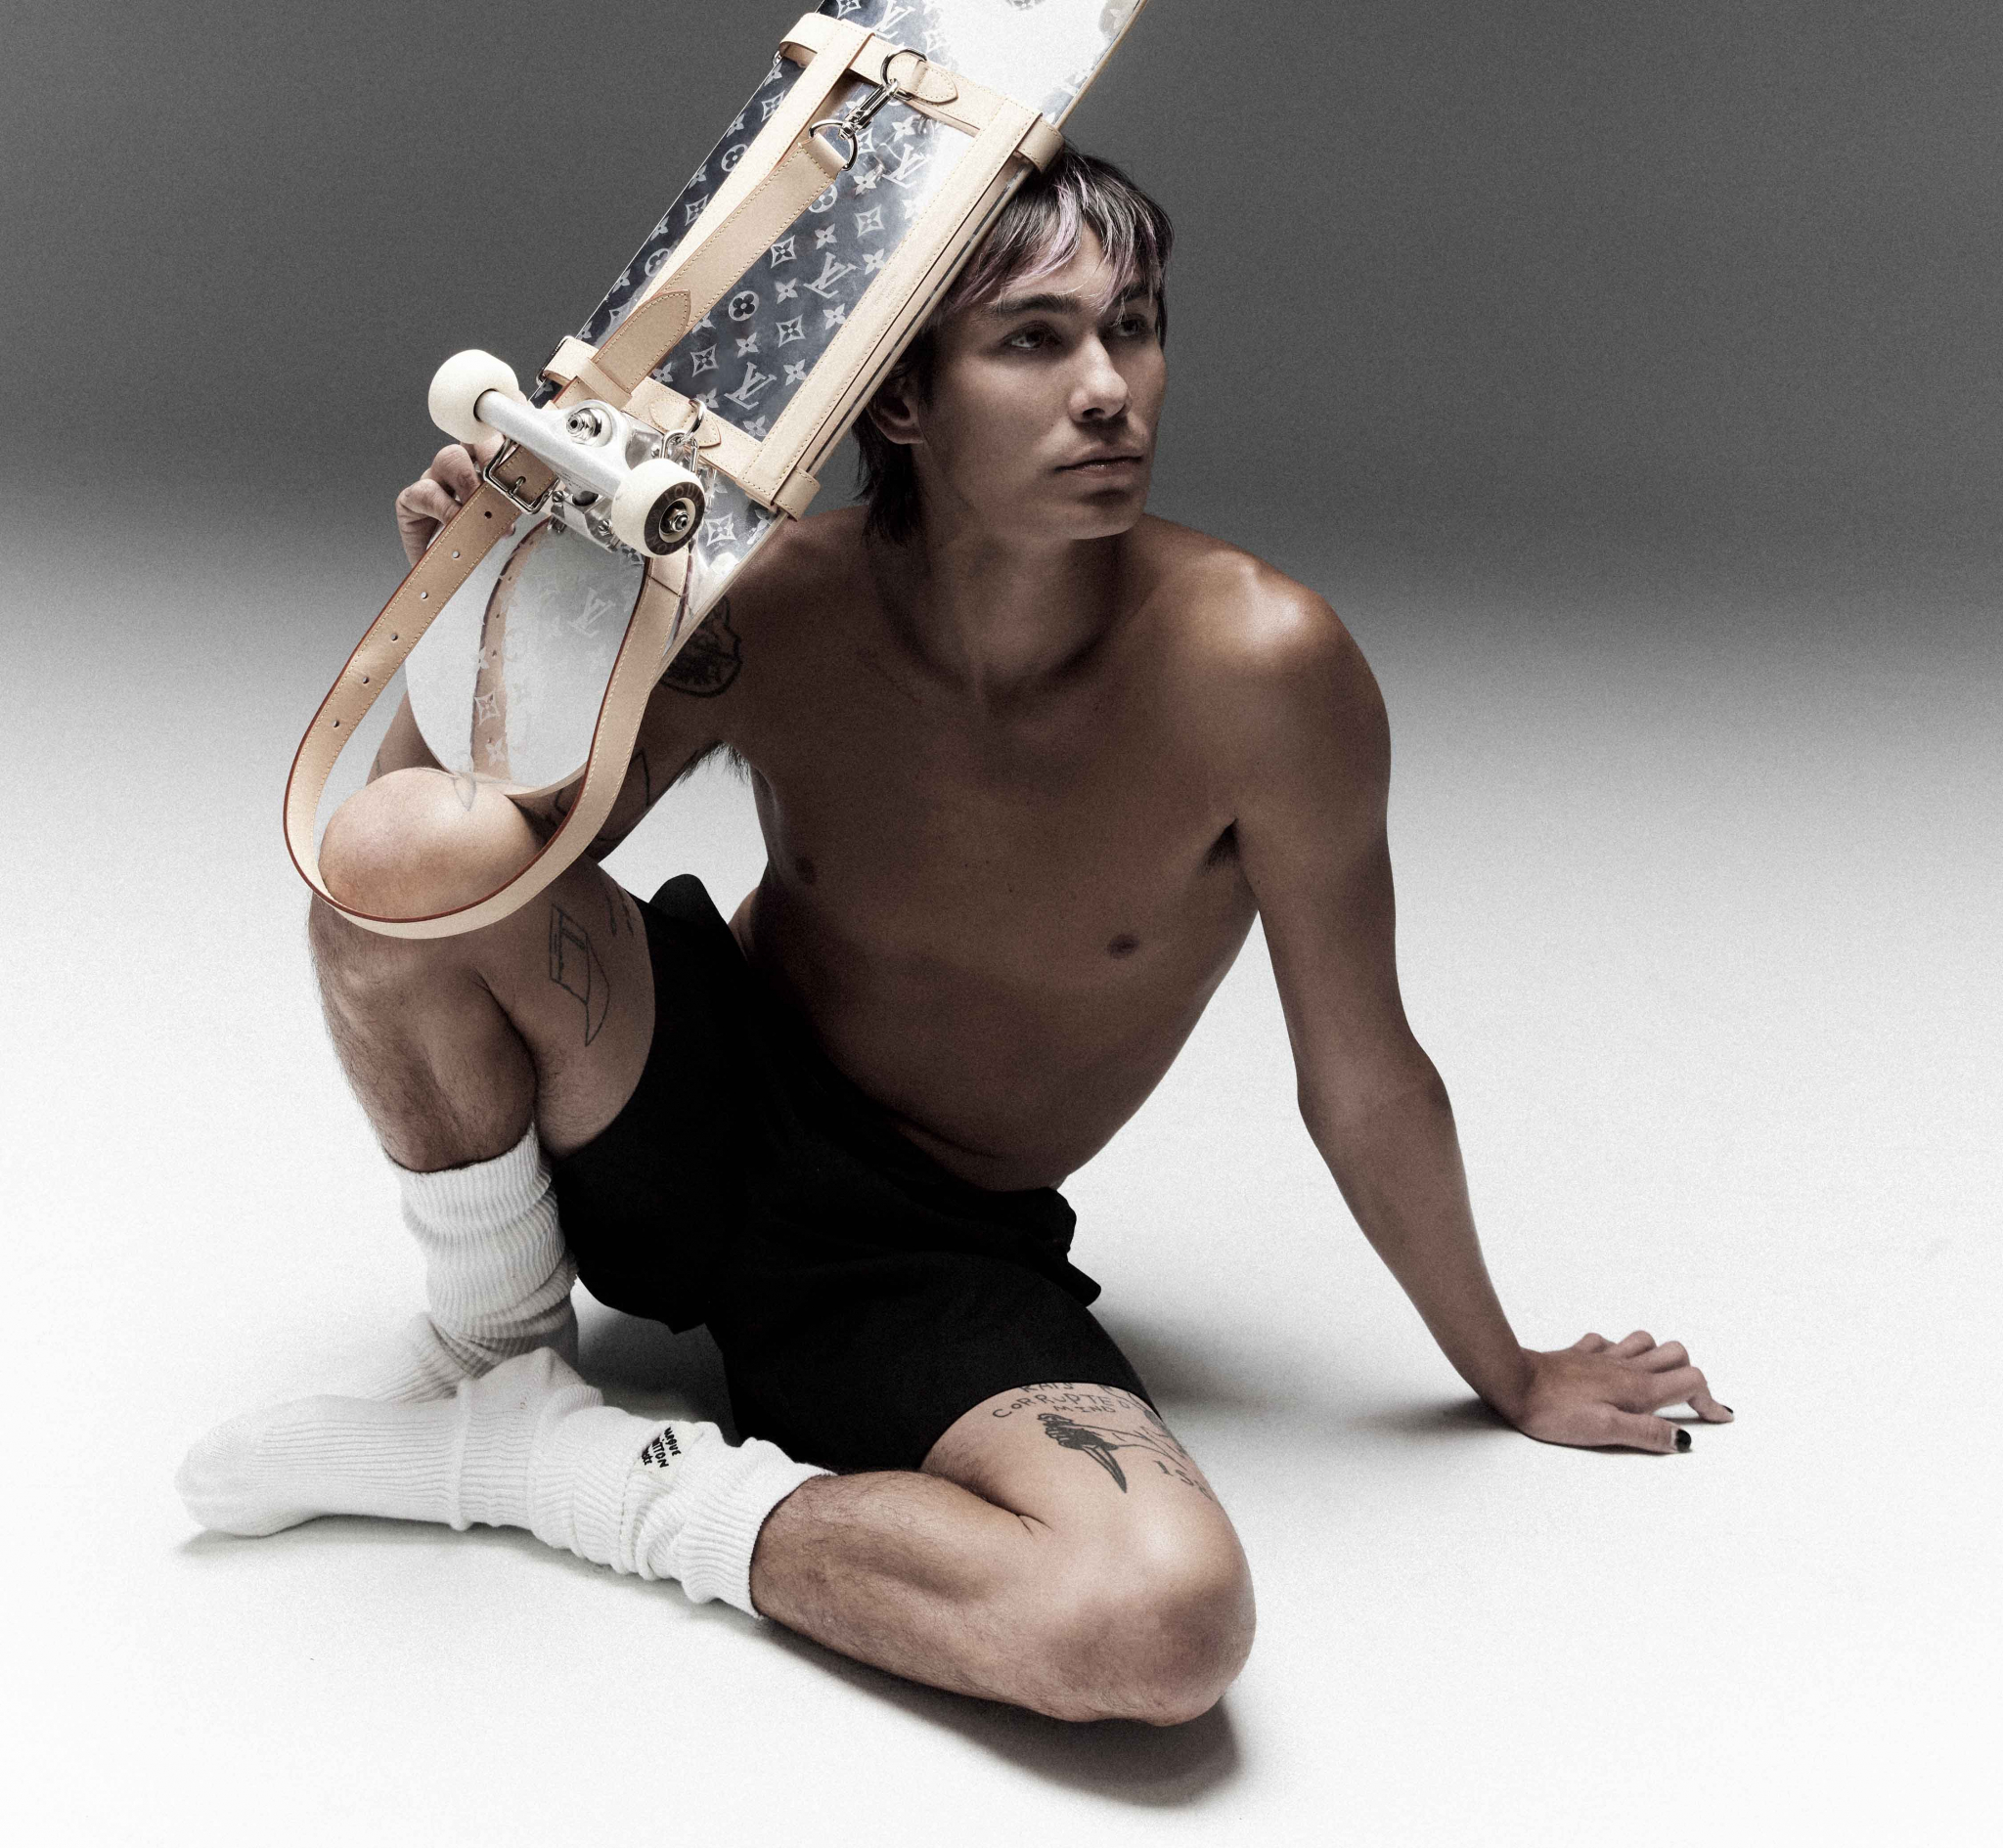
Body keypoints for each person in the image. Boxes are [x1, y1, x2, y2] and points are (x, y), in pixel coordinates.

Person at [179, 145, 1729, 1726]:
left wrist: (1508, 1366)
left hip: (923, 1256)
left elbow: (1365, 1074)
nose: (1109, 389)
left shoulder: (1263, 671)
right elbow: (449, 867)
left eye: (1135, 328)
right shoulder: (772, 602)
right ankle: (494, 1356)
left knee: (1161, 1624)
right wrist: (478, 617)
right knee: (398, 837)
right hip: (684, 1118)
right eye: (1035, 340)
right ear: (906, 399)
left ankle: (550, 1464)